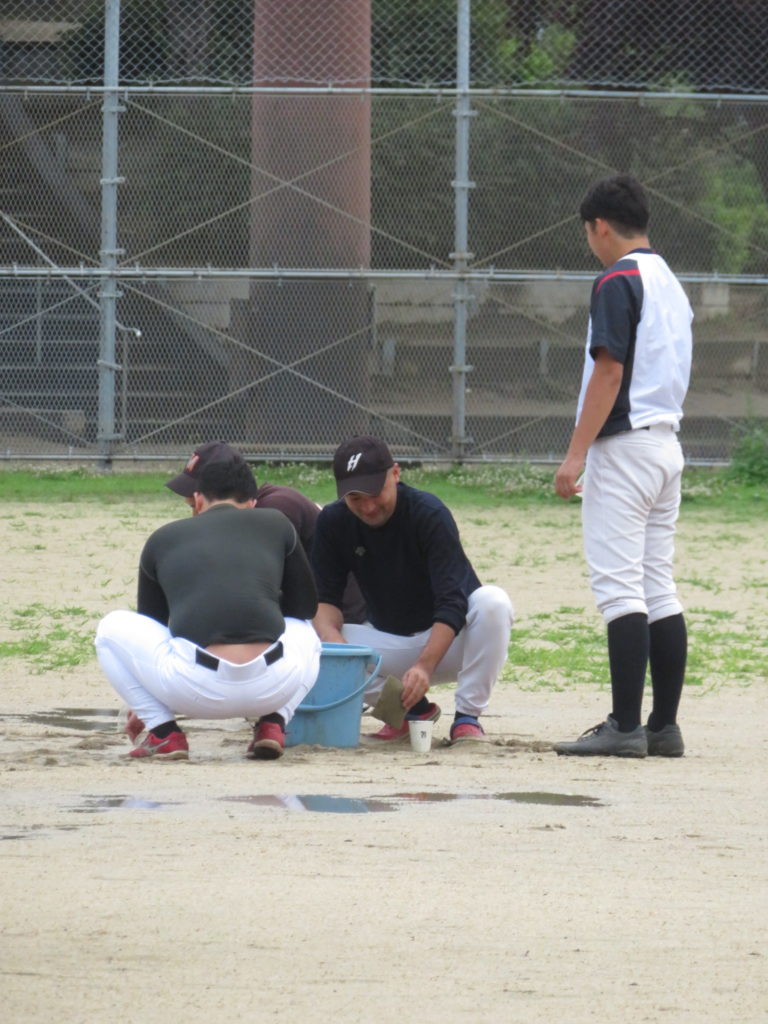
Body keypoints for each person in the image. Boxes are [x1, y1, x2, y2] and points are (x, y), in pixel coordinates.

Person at [553, 174, 692, 758]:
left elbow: (610, 371)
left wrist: (576, 452)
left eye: (589, 232)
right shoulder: (670, 282)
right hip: (667, 444)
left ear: (600, 226)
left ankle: (625, 726)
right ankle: (662, 725)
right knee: (658, 583)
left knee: (619, 588)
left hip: (625, 446)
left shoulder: (617, 278)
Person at [95, 459, 321, 761]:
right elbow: (305, 606)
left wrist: (146, 701)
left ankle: (163, 732)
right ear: (253, 503)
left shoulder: (163, 537)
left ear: (198, 499)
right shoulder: (277, 522)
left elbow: (153, 625)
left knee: (109, 629)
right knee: (306, 631)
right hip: (274, 685)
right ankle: (273, 723)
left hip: (193, 690)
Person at [311, 435, 514, 743]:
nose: (367, 506)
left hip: (451, 643)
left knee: (494, 602)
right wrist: (338, 650)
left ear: (395, 473)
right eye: (355, 498)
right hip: (390, 643)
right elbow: (325, 601)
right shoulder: (333, 521)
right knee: (316, 644)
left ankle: (467, 719)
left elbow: (452, 602)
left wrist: (425, 666)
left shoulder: (428, 513)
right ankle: (409, 712)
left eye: (375, 492)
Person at [165, 440, 366, 624]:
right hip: (307, 612)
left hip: (337, 621)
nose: (194, 514)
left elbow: (259, 594)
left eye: (196, 504)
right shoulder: (251, 512)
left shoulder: (273, 511)